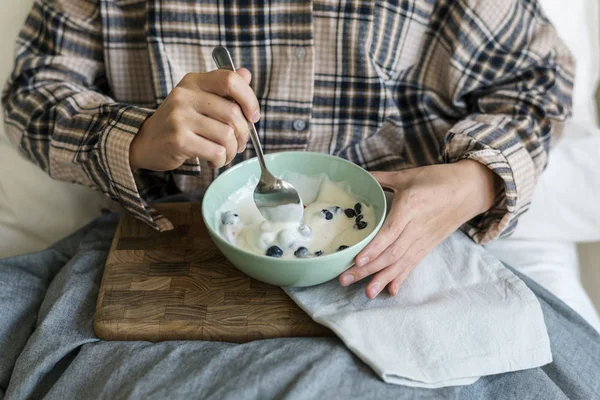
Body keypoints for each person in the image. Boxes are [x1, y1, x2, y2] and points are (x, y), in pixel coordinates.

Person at [2, 0, 572, 299]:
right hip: (168, 263)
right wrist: (135, 136)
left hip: (400, 260)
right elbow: (30, 93)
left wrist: (475, 181)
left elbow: (540, 81)